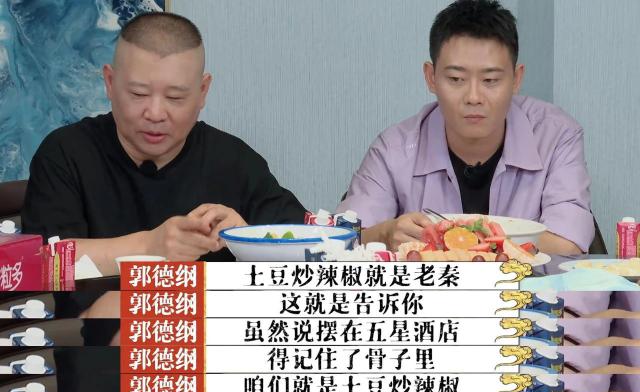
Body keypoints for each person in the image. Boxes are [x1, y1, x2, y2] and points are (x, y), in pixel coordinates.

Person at [21, 12, 307, 324]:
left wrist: (247, 240)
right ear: (110, 83)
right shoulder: (66, 154)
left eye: (175, 97)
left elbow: (313, 251)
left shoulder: (234, 161)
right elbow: (38, 266)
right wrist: (151, 246)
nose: (155, 113)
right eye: (138, 94)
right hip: (95, 342)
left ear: (202, 92)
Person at [337, 0, 594, 255]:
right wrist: (385, 233)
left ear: (516, 79)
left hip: (526, 283)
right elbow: (341, 240)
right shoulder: (394, 149)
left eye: (490, 80)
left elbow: (568, 242)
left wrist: (463, 241)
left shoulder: (556, 137)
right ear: (431, 77)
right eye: (456, 79)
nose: (473, 97)